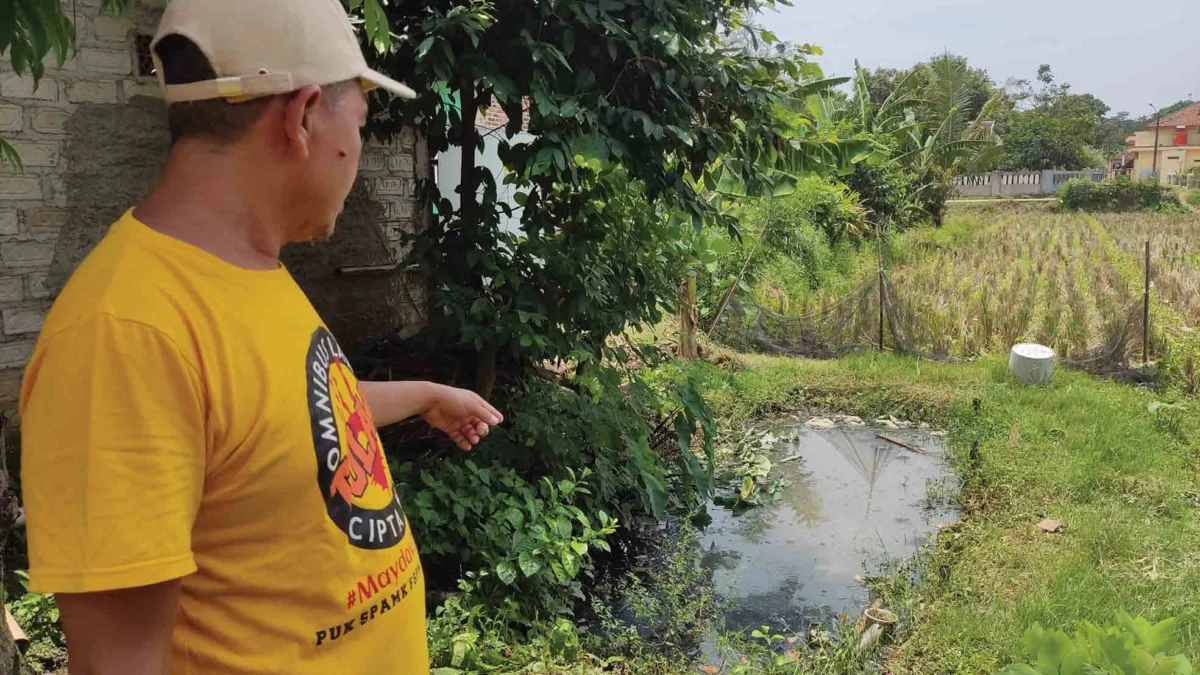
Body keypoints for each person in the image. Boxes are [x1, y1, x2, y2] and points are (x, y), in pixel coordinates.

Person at [18, 0, 502, 672]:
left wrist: (423, 395)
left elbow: (283, 414)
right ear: (302, 118)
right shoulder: (123, 333)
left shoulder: (247, 269)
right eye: (359, 123)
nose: (358, 150)